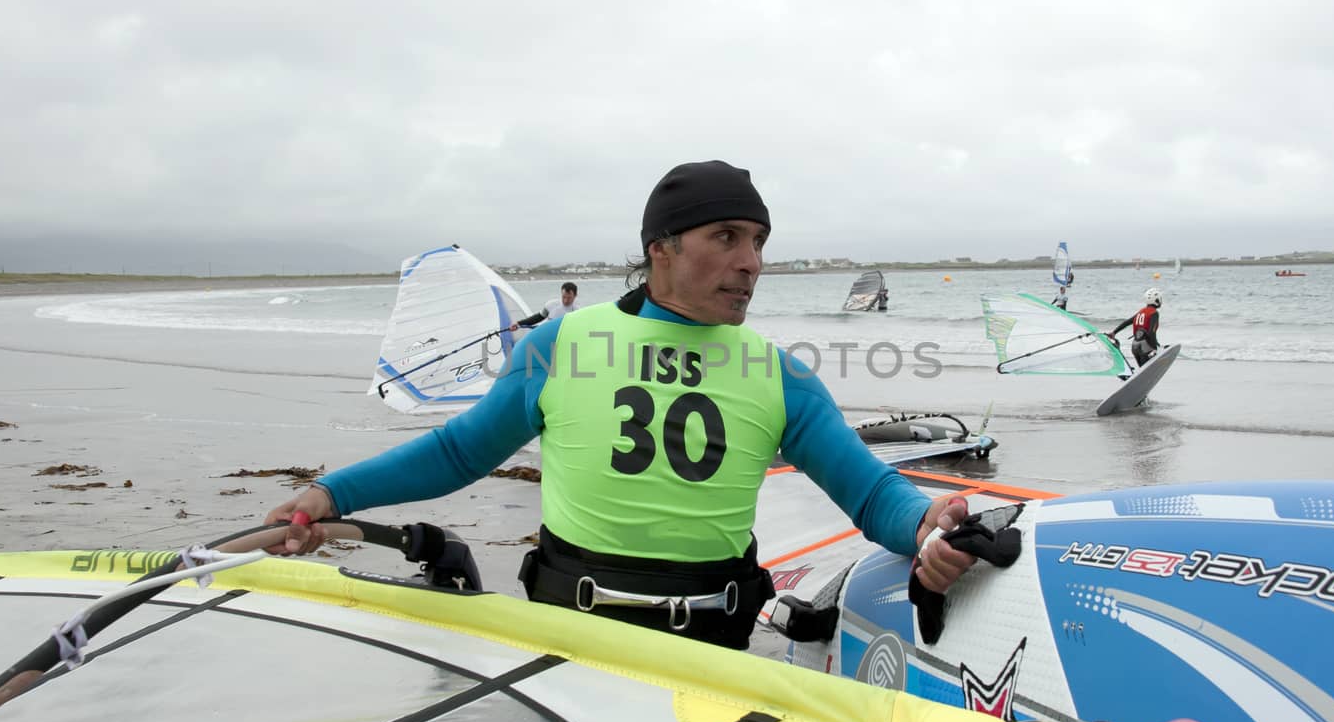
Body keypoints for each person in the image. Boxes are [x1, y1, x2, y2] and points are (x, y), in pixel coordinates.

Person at [267, 160, 982, 649]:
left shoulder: (777, 374)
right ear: (661, 249)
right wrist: (334, 492)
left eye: (759, 241)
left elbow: (867, 491)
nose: (751, 262)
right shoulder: (561, 344)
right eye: (726, 237)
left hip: (715, 649)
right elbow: (459, 451)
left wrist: (926, 525)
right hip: (573, 642)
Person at [1108, 288, 1162, 368]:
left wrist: (1114, 332)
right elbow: (1151, 332)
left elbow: (1126, 322)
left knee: (1143, 372)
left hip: (1135, 346)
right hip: (1145, 347)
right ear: (1156, 300)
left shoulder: (1141, 312)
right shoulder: (1154, 313)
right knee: (1148, 371)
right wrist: (1155, 349)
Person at [512, 282, 578, 331]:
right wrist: (518, 323)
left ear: (575, 296)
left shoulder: (578, 311)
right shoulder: (551, 305)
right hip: (552, 340)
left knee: (574, 349)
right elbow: (538, 318)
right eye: (563, 297)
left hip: (569, 341)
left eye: (569, 298)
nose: (566, 300)